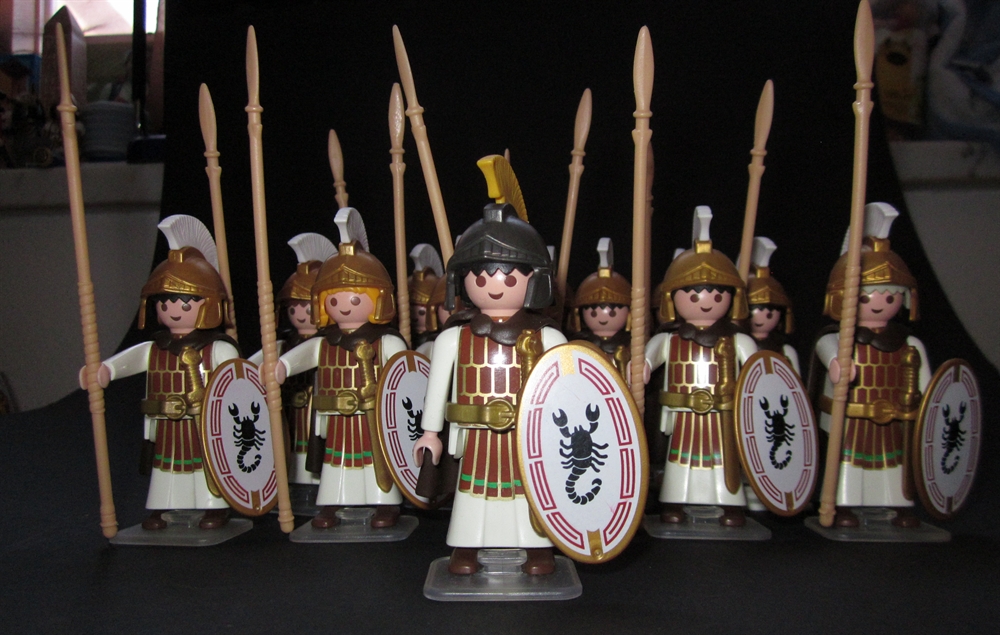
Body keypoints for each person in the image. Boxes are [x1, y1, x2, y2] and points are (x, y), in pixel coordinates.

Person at [414, 155, 565, 575]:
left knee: (526, 488)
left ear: (535, 280)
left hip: (526, 437)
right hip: (474, 435)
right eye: (479, 278)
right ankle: (467, 545)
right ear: (461, 281)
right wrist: (430, 432)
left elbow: (568, 391)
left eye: (508, 277)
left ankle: (537, 545)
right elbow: (437, 389)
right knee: (473, 492)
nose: (492, 287)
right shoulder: (454, 338)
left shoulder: (548, 338)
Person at [83, 215, 238, 530]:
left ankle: (214, 505)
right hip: (166, 424)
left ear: (207, 305)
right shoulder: (156, 348)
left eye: (184, 304)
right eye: (165, 304)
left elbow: (236, 385)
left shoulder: (218, 350)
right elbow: (130, 360)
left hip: (204, 426)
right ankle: (163, 507)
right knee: (167, 469)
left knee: (206, 464)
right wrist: (105, 370)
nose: (172, 311)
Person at [275, 209, 406, 529]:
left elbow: (406, 375)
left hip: (374, 420)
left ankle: (385, 503)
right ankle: (332, 504)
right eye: (334, 300)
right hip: (335, 420)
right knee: (337, 465)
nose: (343, 306)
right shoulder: (325, 343)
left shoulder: (386, 342)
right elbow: (301, 355)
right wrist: (282, 365)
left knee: (376, 460)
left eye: (355, 299)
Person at [814, 202, 930, 528]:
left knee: (894, 464)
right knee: (850, 463)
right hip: (854, 421)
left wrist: (923, 403)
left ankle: (900, 504)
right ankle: (844, 504)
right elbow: (828, 352)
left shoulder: (909, 345)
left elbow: (930, 388)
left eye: (890, 297)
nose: (880, 304)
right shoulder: (841, 340)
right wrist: (837, 365)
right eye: (867, 297)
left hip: (894, 421)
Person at [644, 206, 757, 527]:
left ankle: (729, 504)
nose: (706, 302)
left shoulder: (737, 340)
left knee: (722, 461)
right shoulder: (669, 340)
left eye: (717, 295)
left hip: (723, 418)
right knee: (682, 462)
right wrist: (643, 367)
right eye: (693, 296)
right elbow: (650, 357)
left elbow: (759, 373)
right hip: (683, 416)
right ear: (673, 299)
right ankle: (675, 502)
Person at [568, 237, 631, 377]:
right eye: (593, 313)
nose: (603, 317)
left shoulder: (631, 344)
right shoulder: (581, 344)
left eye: (613, 313)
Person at [745, 236, 800, 373]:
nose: (760, 319)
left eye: (769, 314)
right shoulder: (740, 345)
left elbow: (795, 381)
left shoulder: (784, 350)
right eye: (753, 312)